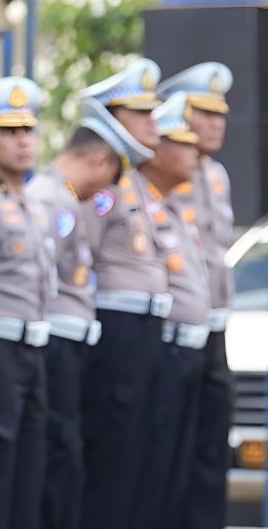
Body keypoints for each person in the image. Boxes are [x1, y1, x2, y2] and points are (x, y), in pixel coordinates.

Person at [76, 59, 167, 529]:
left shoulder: (134, 181)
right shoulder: (102, 187)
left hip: (147, 328)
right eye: (142, 114)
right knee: (115, 449)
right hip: (116, 331)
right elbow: (80, 259)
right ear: (112, 119)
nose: (155, 122)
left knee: (141, 450)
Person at [25, 106, 124, 529]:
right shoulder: (49, 199)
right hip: (55, 343)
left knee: (67, 452)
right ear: (100, 162)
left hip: (69, 341)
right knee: (56, 453)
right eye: (109, 178)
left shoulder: (61, 197)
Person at [0, 76, 51, 529]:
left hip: (34, 345)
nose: (23, 141)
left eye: (28, 131)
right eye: (9, 132)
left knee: (31, 461)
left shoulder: (33, 203)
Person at [159, 62, 236, 529]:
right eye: (203, 114)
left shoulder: (217, 175)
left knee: (213, 441)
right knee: (173, 442)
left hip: (215, 325)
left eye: (220, 114)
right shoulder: (164, 171)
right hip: (174, 329)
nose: (215, 124)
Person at [131, 91, 209, 529]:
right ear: (157, 150)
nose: (195, 151)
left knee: (179, 467)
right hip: (161, 350)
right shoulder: (133, 199)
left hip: (189, 351)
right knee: (153, 468)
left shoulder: (175, 206)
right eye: (183, 142)